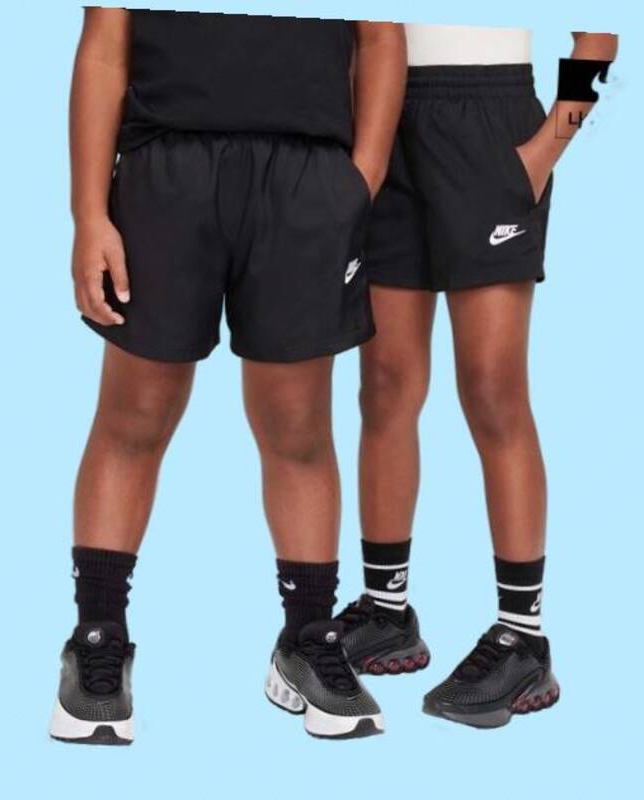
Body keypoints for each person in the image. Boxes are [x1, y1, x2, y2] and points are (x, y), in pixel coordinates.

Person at [49, 8, 406, 744]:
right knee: (135, 414)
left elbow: (379, 35)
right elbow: (105, 43)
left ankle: (308, 638)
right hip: (167, 163)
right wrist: (88, 213)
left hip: (305, 171)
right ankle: (97, 640)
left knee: (298, 425)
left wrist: (361, 180)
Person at [337, 26, 618, 727]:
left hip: (487, 116)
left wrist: (547, 146)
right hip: (380, 110)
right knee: (385, 385)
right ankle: (386, 611)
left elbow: (601, 29)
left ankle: (523, 637)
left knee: (493, 391)